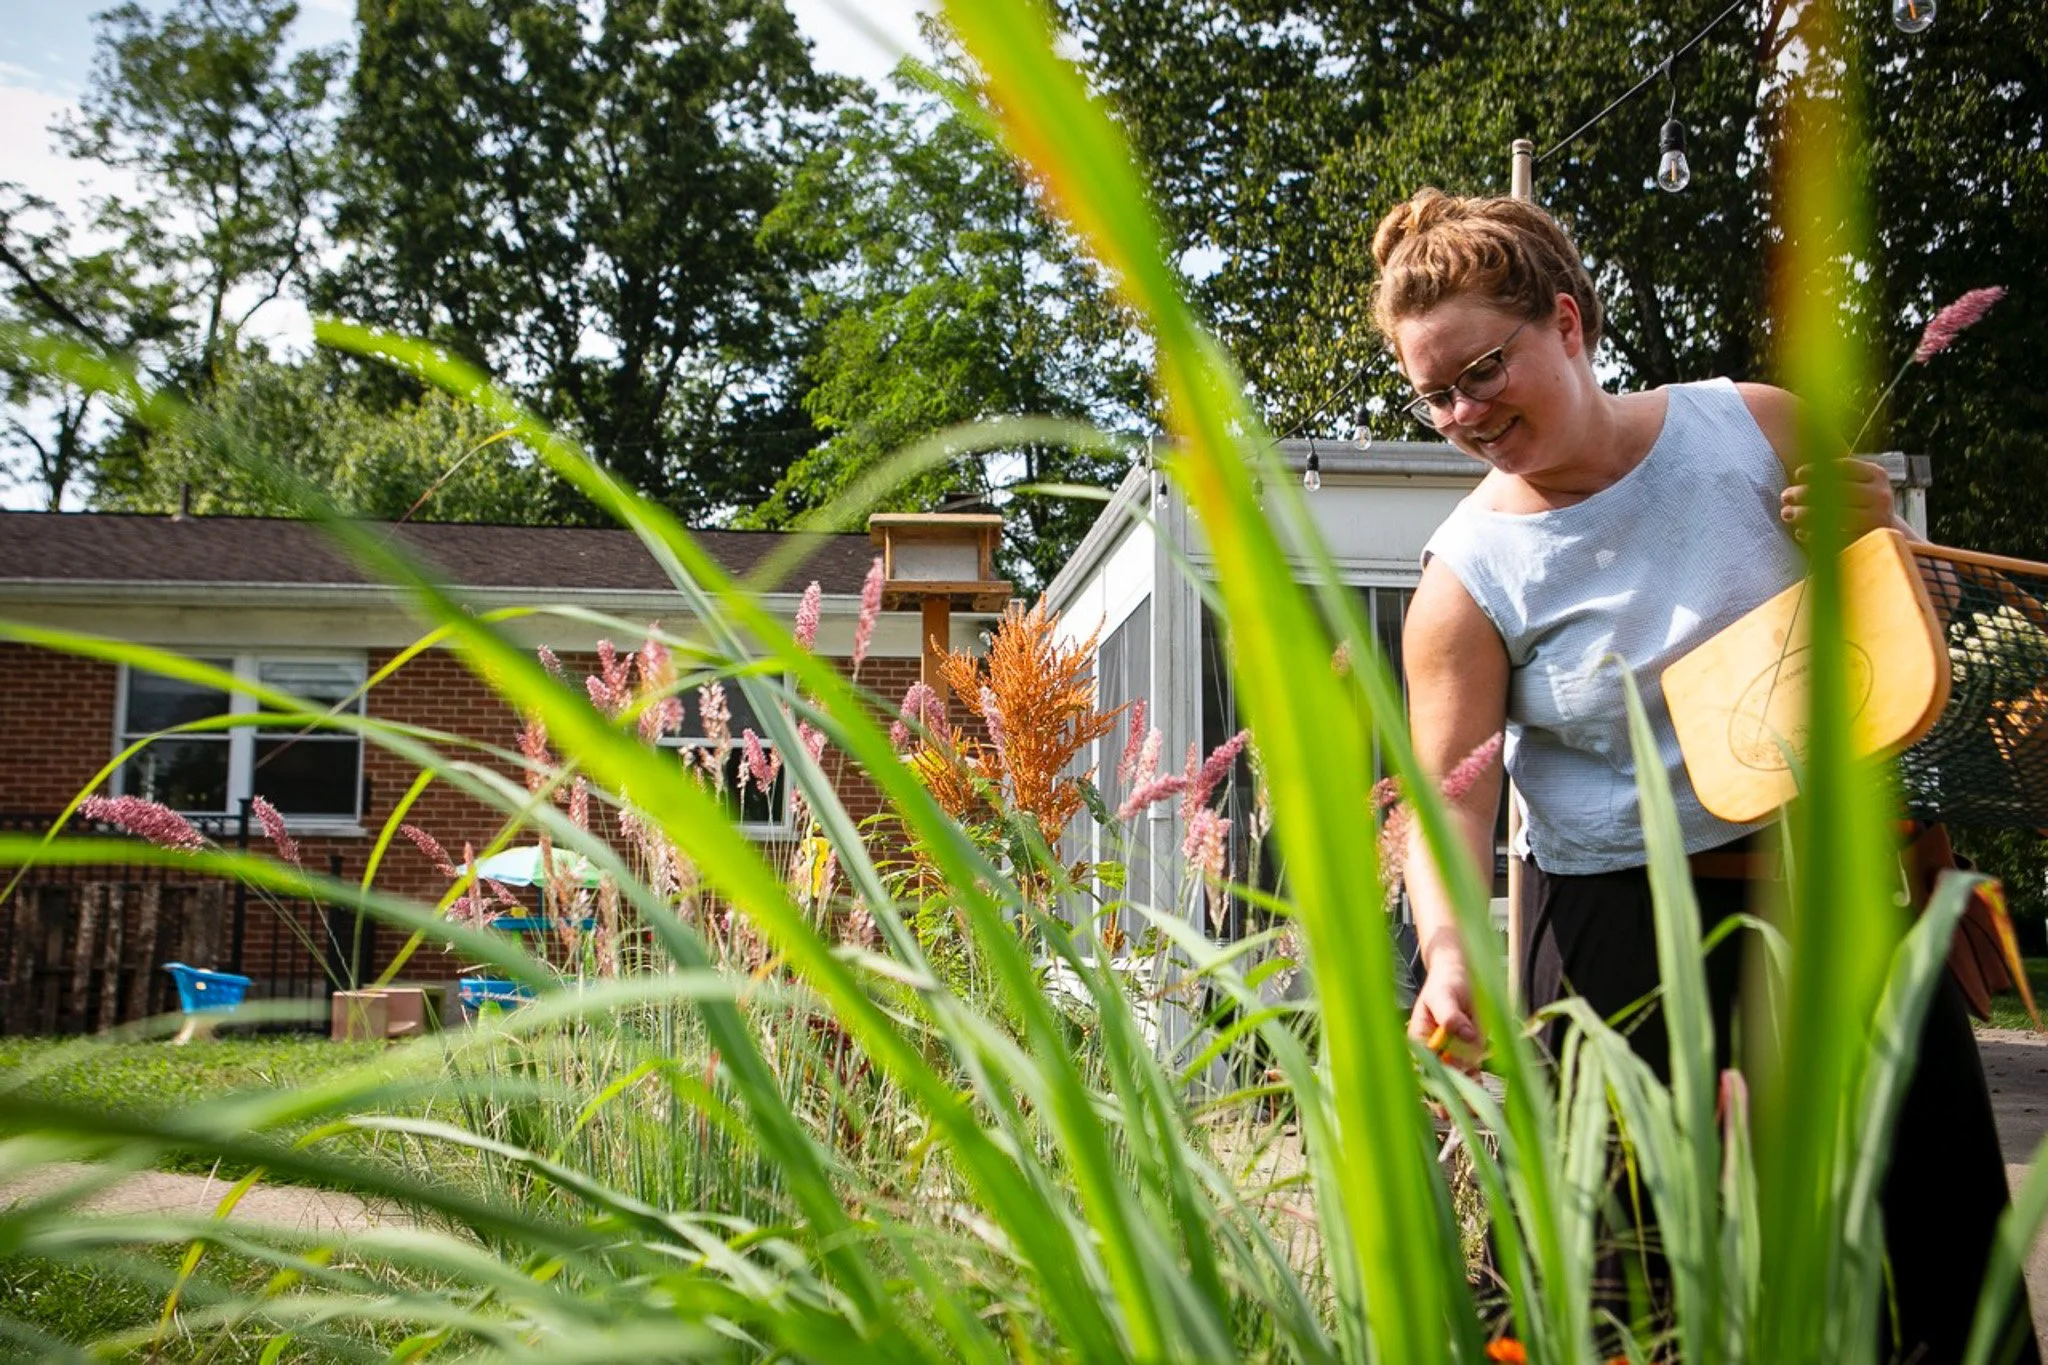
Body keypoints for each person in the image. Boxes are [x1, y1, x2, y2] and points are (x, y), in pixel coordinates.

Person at [1378, 186, 2033, 1363]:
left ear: (1567, 325)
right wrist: (1442, 949)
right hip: (1620, 936)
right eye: (1434, 394)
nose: (1464, 412)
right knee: (1625, 1294)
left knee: (1931, 1270)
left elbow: (1891, 643)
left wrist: (1873, 536)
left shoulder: (1753, 427)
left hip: (1840, 890)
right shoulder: (1465, 578)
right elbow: (1450, 796)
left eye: (1481, 369)